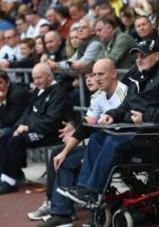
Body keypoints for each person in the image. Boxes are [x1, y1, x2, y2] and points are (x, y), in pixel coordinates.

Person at [68, 39, 159, 208]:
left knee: (112, 140)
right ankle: (84, 190)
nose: (139, 60)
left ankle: (94, 190)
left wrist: (145, 117)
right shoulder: (137, 75)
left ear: (157, 56)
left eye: (143, 55)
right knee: (98, 137)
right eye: (136, 56)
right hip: (136, 131)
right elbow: (126, 105)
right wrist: (112, 115)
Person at [37, 58, 128, 227]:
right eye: (94, 75)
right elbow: (85, 127)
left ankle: (96, 214)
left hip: (118, 147)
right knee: (63, 158)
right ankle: (61, 214)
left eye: (100, 74)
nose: (96, 78)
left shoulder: (124, 94)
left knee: (86, 151)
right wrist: (65, 152)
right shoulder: (99, 96)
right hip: (99, 144)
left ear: (114, 74)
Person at [0, 63, 70, 195]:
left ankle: (10, 182)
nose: (36, 81)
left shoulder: (59, 93)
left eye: (39, 78)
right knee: (5, 137)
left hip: (51, 133)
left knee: (15, 141)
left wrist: (28, 127)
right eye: (34, 78)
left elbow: (52, 122)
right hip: (34, 129)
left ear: (49, 76)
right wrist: (18, 127)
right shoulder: (38, 90)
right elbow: (26, 112)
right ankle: (3, 177)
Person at [0, 70, 30, 190]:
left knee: (4, 135)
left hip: (23, 126)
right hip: (10, 125)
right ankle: (0, 173)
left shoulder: (17, 94)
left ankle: (7, 174)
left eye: (0, 83)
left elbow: (11, 119)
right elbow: (0, 118)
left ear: (7, 82)